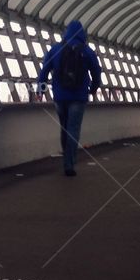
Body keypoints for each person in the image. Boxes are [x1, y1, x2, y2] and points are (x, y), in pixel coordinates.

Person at [37, 20, 101, 176]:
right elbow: (96, 73)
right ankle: (69, 164)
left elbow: (44, 70)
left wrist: (40, 89)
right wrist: (92, 89)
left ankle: (66, 158)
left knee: (64, 128)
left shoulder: (56, 49)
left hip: (59, 96)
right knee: (73, 129)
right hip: (78, 97)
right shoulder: (87, 51)